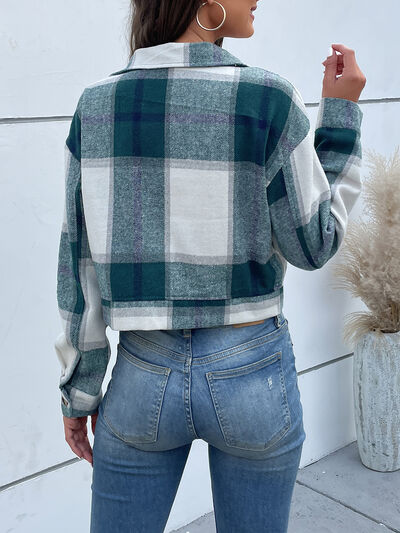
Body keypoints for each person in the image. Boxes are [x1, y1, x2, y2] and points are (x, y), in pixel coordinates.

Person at [54, 0, 366, 531]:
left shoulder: (96, 105)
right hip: (252, 370)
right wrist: (340, 117)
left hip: (143, 371)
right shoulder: (269, 98)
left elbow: (78, 267)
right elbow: (313, 245)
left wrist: (79, 391)